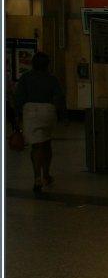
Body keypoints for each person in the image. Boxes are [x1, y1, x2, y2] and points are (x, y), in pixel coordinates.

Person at [14, 52, 66, 196]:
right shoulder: (52, 79)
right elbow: (59, 97)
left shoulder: (26, 78)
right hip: (48, 111)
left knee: (36, 146)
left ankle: (37, 178)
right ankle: (47, 175)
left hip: (30, 111)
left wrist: (17, 115)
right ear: (47, 65)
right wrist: (63, 115)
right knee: (47, 143)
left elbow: (19, 97)